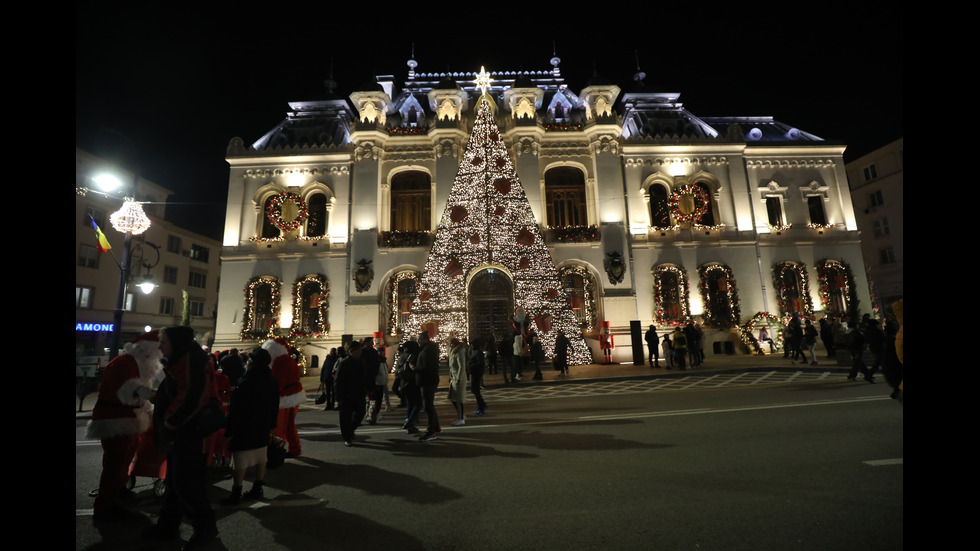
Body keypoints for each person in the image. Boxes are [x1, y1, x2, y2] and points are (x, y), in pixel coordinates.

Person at [142, 326, 219, 549]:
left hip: (189, 433)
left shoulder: (189, 360)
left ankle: (205, 528)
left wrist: (171, 421)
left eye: (163, 342)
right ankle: (168, 526)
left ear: (176, 343)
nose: (160, 346)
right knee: (177, 482)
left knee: (187, 484)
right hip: (184, 433)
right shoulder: (184, 358)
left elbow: (193, 397)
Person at [87, 331, 162, 523]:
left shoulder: (138, 364)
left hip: (126, 418)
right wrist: (154, 396)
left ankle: (117, 493)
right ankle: (105, 507)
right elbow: (131, 389)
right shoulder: (125, 363)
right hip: (116, 419)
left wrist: (151, 408)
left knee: (123, 460)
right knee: (115, 463)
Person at [220, 347, 279, 505]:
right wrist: (272, 424)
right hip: (263, 424)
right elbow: (275, 405)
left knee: (240, 460)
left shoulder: (245, 382)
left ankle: (236, 493)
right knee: (261, 456)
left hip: (244, 426)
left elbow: (235, 409)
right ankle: (257, 488)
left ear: (251, 363)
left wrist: (230, 430)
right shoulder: (272, 381)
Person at [263, 337, 304, 458]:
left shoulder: (280, 362)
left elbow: (278, 383)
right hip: (293, 394)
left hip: (286, 397)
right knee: (289, 424)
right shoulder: (287, 359)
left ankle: (290, 448)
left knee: (284, 424)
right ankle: (294, 447)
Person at [334, 340, 369, 446]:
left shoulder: (362, 362)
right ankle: (347, 437)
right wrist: (338, 397)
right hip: (346, 394)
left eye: (360, 350)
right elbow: (338, 381)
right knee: (345, 417)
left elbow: (366, 377)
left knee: (360, 413)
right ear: (351, 351)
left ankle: (350, 430)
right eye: (357, 350)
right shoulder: (344, 363)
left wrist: (369, 388)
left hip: (359, 393)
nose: (360, 352)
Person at [414, 331, 442, 441]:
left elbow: (426, 368)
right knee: (429, 405)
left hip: (427, 381)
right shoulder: (429, 349)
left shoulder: (427, 351)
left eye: (420, 339)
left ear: (425, 339)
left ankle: (432, 431)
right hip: (430, 380)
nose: (418, 342)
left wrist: (415, 368)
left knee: (428, 406)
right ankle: (436, 427)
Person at [400, 339, 423, 434]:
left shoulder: (404, 355)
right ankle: (409, 423)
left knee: (410, 404)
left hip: (404, 383)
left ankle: (410, 425)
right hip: (412, 382)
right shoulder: (415, 355)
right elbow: (415, 369)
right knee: (418, 404)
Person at [361, 337, 384, 424]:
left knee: (372, 398)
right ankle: (362, 416)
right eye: (370, 342)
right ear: (365, 343)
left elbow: (376, 365)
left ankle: (371, 416)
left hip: (371, 378)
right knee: (362, 399)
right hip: (362, 378)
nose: (372, 343)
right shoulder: (362, 352)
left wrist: (374, 373)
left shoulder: (373, 352)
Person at [448, 337, 468, 425]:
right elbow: (451, 366)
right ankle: (461, 415)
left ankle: (461, 418)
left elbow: (461, 367)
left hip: (458, 378)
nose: (450, 345)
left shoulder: (459, 352)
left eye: (451, 343)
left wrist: (459, 378)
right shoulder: (453, 352)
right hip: (454, 377)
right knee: (452, 397)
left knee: (457, 399)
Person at [468, 337, 488, 415]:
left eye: (472, 344)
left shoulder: (479, 353)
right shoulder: (472, 351)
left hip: (477, 372)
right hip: (473, 372)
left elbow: (481, 363)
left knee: (476, 391)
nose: (471, 346)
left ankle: (481, 407)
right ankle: (482, 405)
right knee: (474, 390)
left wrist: (472, 364)